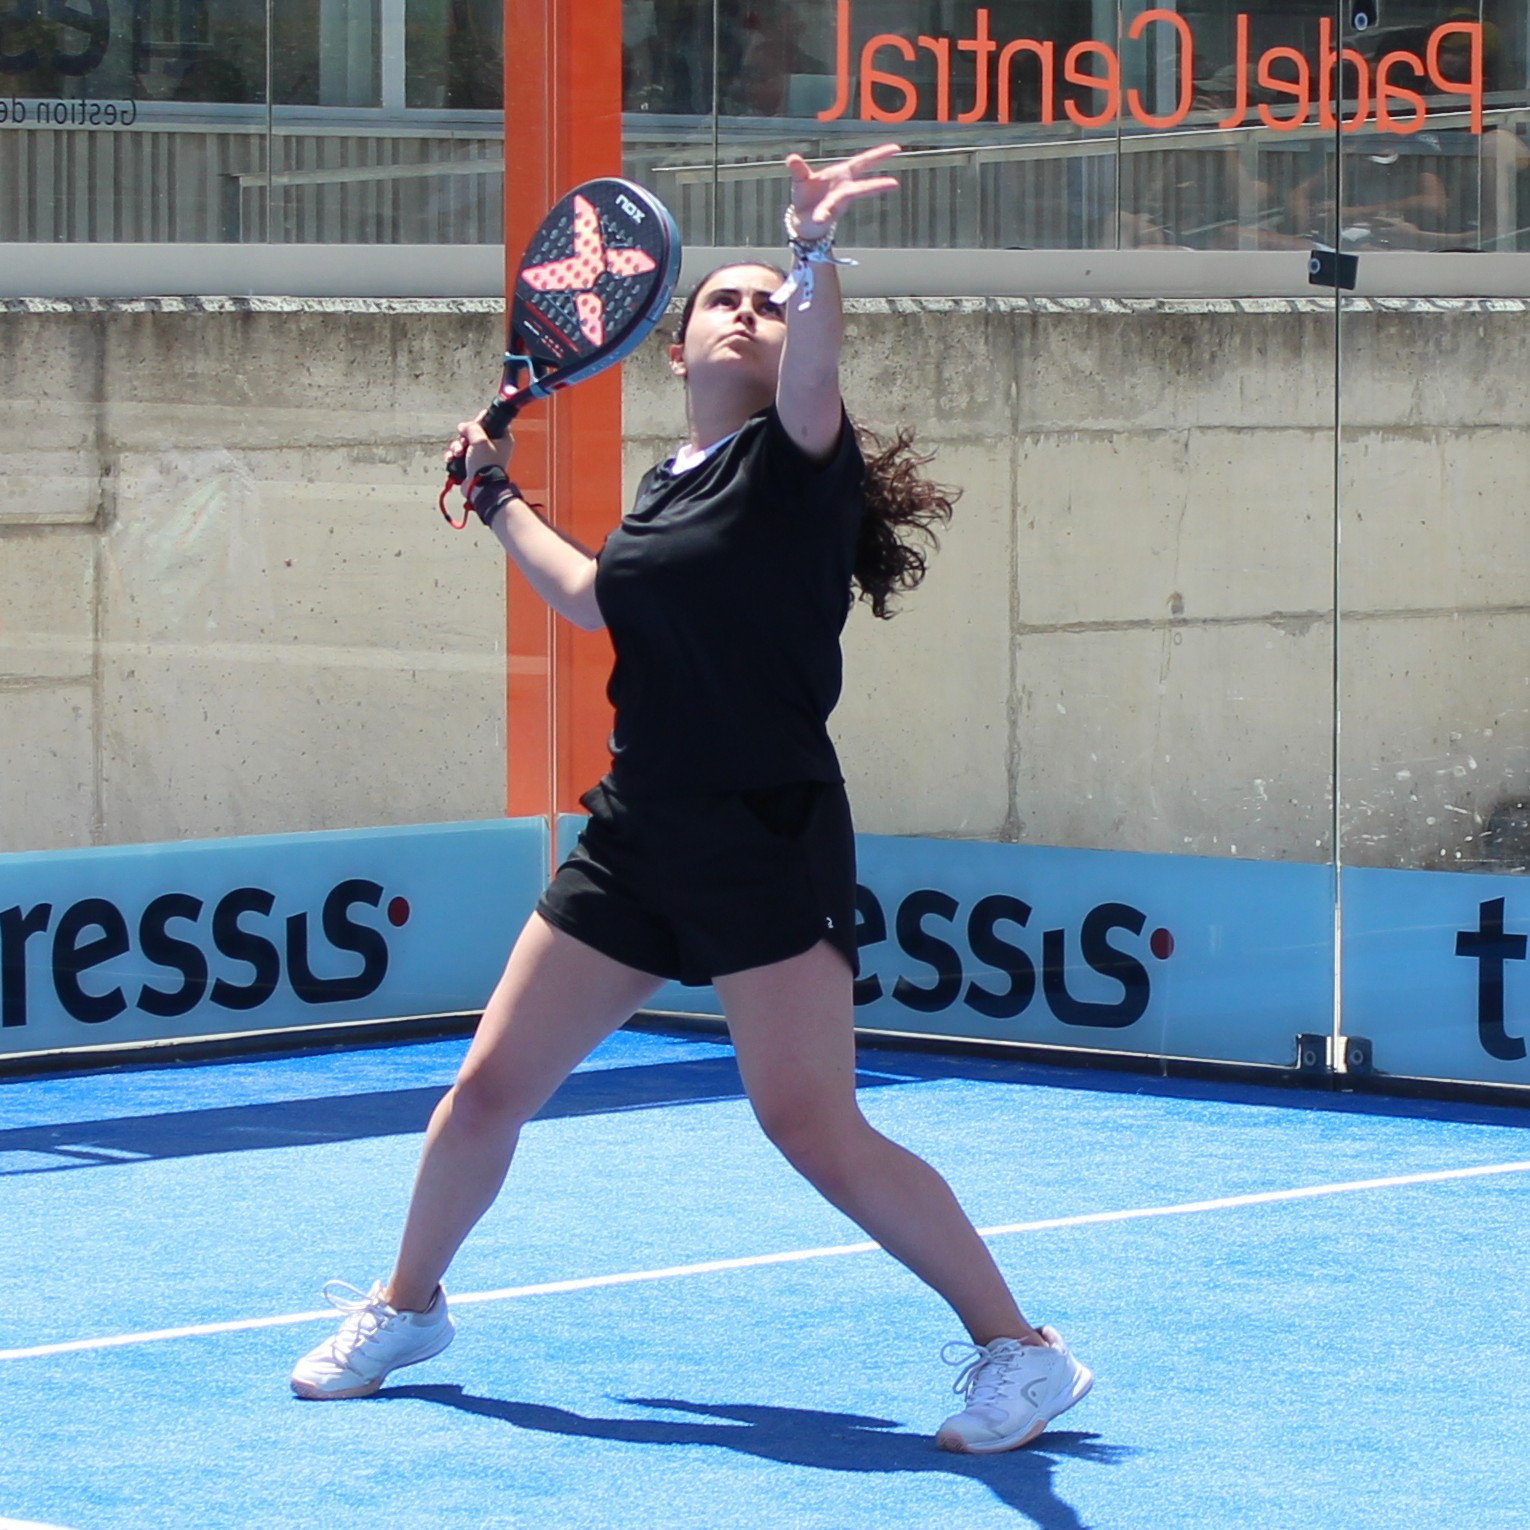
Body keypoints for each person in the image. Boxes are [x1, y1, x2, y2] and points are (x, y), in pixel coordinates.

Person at [289, 144, 1092, 1454]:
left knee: (811, 1126)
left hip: (762, 833)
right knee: (485, 1090)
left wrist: (811, 248)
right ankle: (408, 1308)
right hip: (637, 829)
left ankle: (1024, 1353)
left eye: (770, 303)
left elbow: (818, 364)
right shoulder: (671, 485)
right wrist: (494, 496)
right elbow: (594, 597)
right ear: (672, 348)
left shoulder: (797, 457)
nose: (751, 312)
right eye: (728, 298)